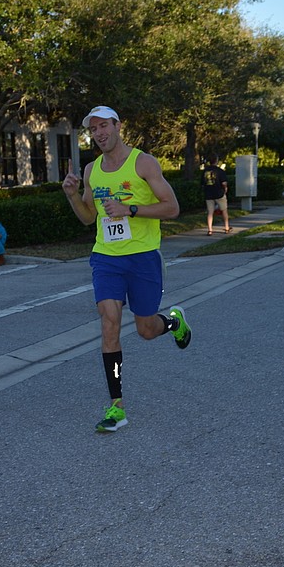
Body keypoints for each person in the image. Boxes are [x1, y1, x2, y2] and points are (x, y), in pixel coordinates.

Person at [62, 105, 192, 433]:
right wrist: (73, 196)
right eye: (94, 129)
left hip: (143, 257)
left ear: (118, 126)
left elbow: (172, 208)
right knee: (110, 323)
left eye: (104, 126)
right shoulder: (92, 170)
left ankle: (173, 321)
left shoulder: (143, 162)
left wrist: (129, 209)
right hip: (106, 258)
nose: (99, 133)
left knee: (146, 330)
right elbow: (89, 217)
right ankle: (117, 406)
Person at [203, 154, 231, 235]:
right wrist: (225, 189)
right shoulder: (220, 171)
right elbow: (224, 183)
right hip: (219, 193)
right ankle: (226, 227)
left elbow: (202, 183)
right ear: (216, 161)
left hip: (208, 194)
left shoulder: (205, 171)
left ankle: (210, 230)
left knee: (210, 212)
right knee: (224, 210)